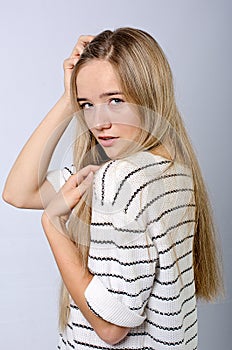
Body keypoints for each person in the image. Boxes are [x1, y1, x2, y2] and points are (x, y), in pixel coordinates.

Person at [2, 27, 223, 349]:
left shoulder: (122, 178)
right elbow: (18, 193)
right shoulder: (173, 174)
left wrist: (52, 224)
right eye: (86, 104)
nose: (98, 122)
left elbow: (110, 327)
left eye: (115, 100)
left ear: (150, 97)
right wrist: (68, 99)